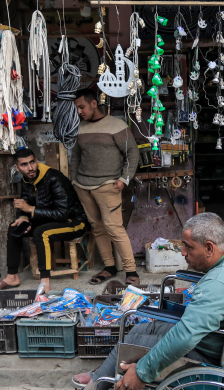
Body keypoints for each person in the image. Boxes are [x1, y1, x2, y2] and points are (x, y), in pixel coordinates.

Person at [60, 213, 224, 390]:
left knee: (132, 345)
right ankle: (100, 378)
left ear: (209, 247)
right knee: (141, 329)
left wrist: (141, 374)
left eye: (188, 247)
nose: (183, 252)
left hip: (207, 350)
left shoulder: (218, 284)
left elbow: (184, 338)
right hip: (217, 340)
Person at [0, 148, 89, 294]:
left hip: (74, 221)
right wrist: (23, 216)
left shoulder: (54, 178)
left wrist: (31, 210)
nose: (30, 168)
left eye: (32, 162)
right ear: (17, 168)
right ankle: (12, 276)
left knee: (41, 233)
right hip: (46, 219)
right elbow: (25, 202)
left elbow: (62, 214)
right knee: (15, 227)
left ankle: (45, 282)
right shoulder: (26, 179)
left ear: (36, 161)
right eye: (24, 165)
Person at [71, 89, 140, 285]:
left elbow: (132, 153)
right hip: (83, 186)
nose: (80, 112)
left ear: (94, 104)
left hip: (108, 185)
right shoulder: (80, 127)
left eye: (82, 107)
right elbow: (76, 156)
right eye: (77, 108)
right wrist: (74, 180)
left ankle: (131, 271)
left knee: (114, 228)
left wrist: (124, 179)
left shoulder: (117, 126)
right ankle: (109, 267)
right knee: (98, 228)